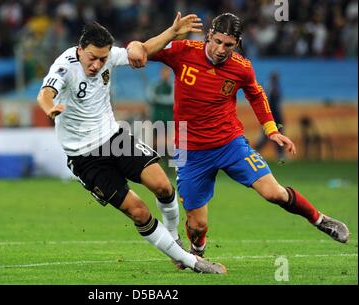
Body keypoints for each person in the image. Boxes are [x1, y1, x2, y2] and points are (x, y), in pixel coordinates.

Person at [140, 13, 350, 267]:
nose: (220, 49)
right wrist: (168, 34)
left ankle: (320, 219)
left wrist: (271, 129)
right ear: (208, 36)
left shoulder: (241, 67)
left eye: (228, 45)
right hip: (188, 150)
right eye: (217, 41)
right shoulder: (183, 51)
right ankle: (198, 249)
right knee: (197, 225)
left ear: (237, 43)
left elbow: (256, 94)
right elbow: (143, 51)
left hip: (231, 144)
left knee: (274, 193)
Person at [36, 15, 226, 274]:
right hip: (84, 158)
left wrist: (171, 32)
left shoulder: (108, 57)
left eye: (103, 59)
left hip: (114, 139)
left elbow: (144, 49)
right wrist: (50, 108)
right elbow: (45, 93)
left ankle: (175, 241)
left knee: (163, 186)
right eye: (92, 58)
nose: (97, 64)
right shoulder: (64, 66)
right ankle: (192, 262)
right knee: (138, 211)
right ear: (80, 50)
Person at [146, 66, 174, 175]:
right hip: (157, 118)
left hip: (169, 119)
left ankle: (170, 167)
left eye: (167, 72)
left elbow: (172, 99)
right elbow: (149, 96)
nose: (165, 74)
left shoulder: (172, 85)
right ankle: (155, 166)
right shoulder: (155, 85)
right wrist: (158, 98)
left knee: (169, 143)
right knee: (155, 143)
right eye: (163, 72)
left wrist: (158, 98)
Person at [254, 71, 285, 161]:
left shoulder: (273, 86)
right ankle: (255, 152)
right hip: (272, 117)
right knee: (268, 136)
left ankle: (280, 155)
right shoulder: (271, 87)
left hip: (275, 116)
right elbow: (270, 103)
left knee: (277, 135)